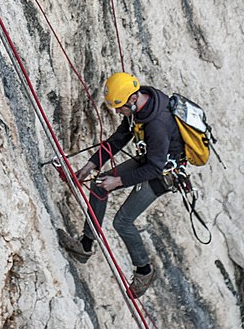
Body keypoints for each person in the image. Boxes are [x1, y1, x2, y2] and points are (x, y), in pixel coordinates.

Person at [57, 72, 185, 298]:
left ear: (133, 99)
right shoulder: (139, 109)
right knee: (98, 185)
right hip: (151, 159)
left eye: (120, 108)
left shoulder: (156, 124)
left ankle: (144, 271)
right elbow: (117, 140)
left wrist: (118, 181)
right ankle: (85, 245)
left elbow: (154, 168)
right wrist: (89, 166)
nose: (117, 112)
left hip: (163, 173)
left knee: (123, 222)